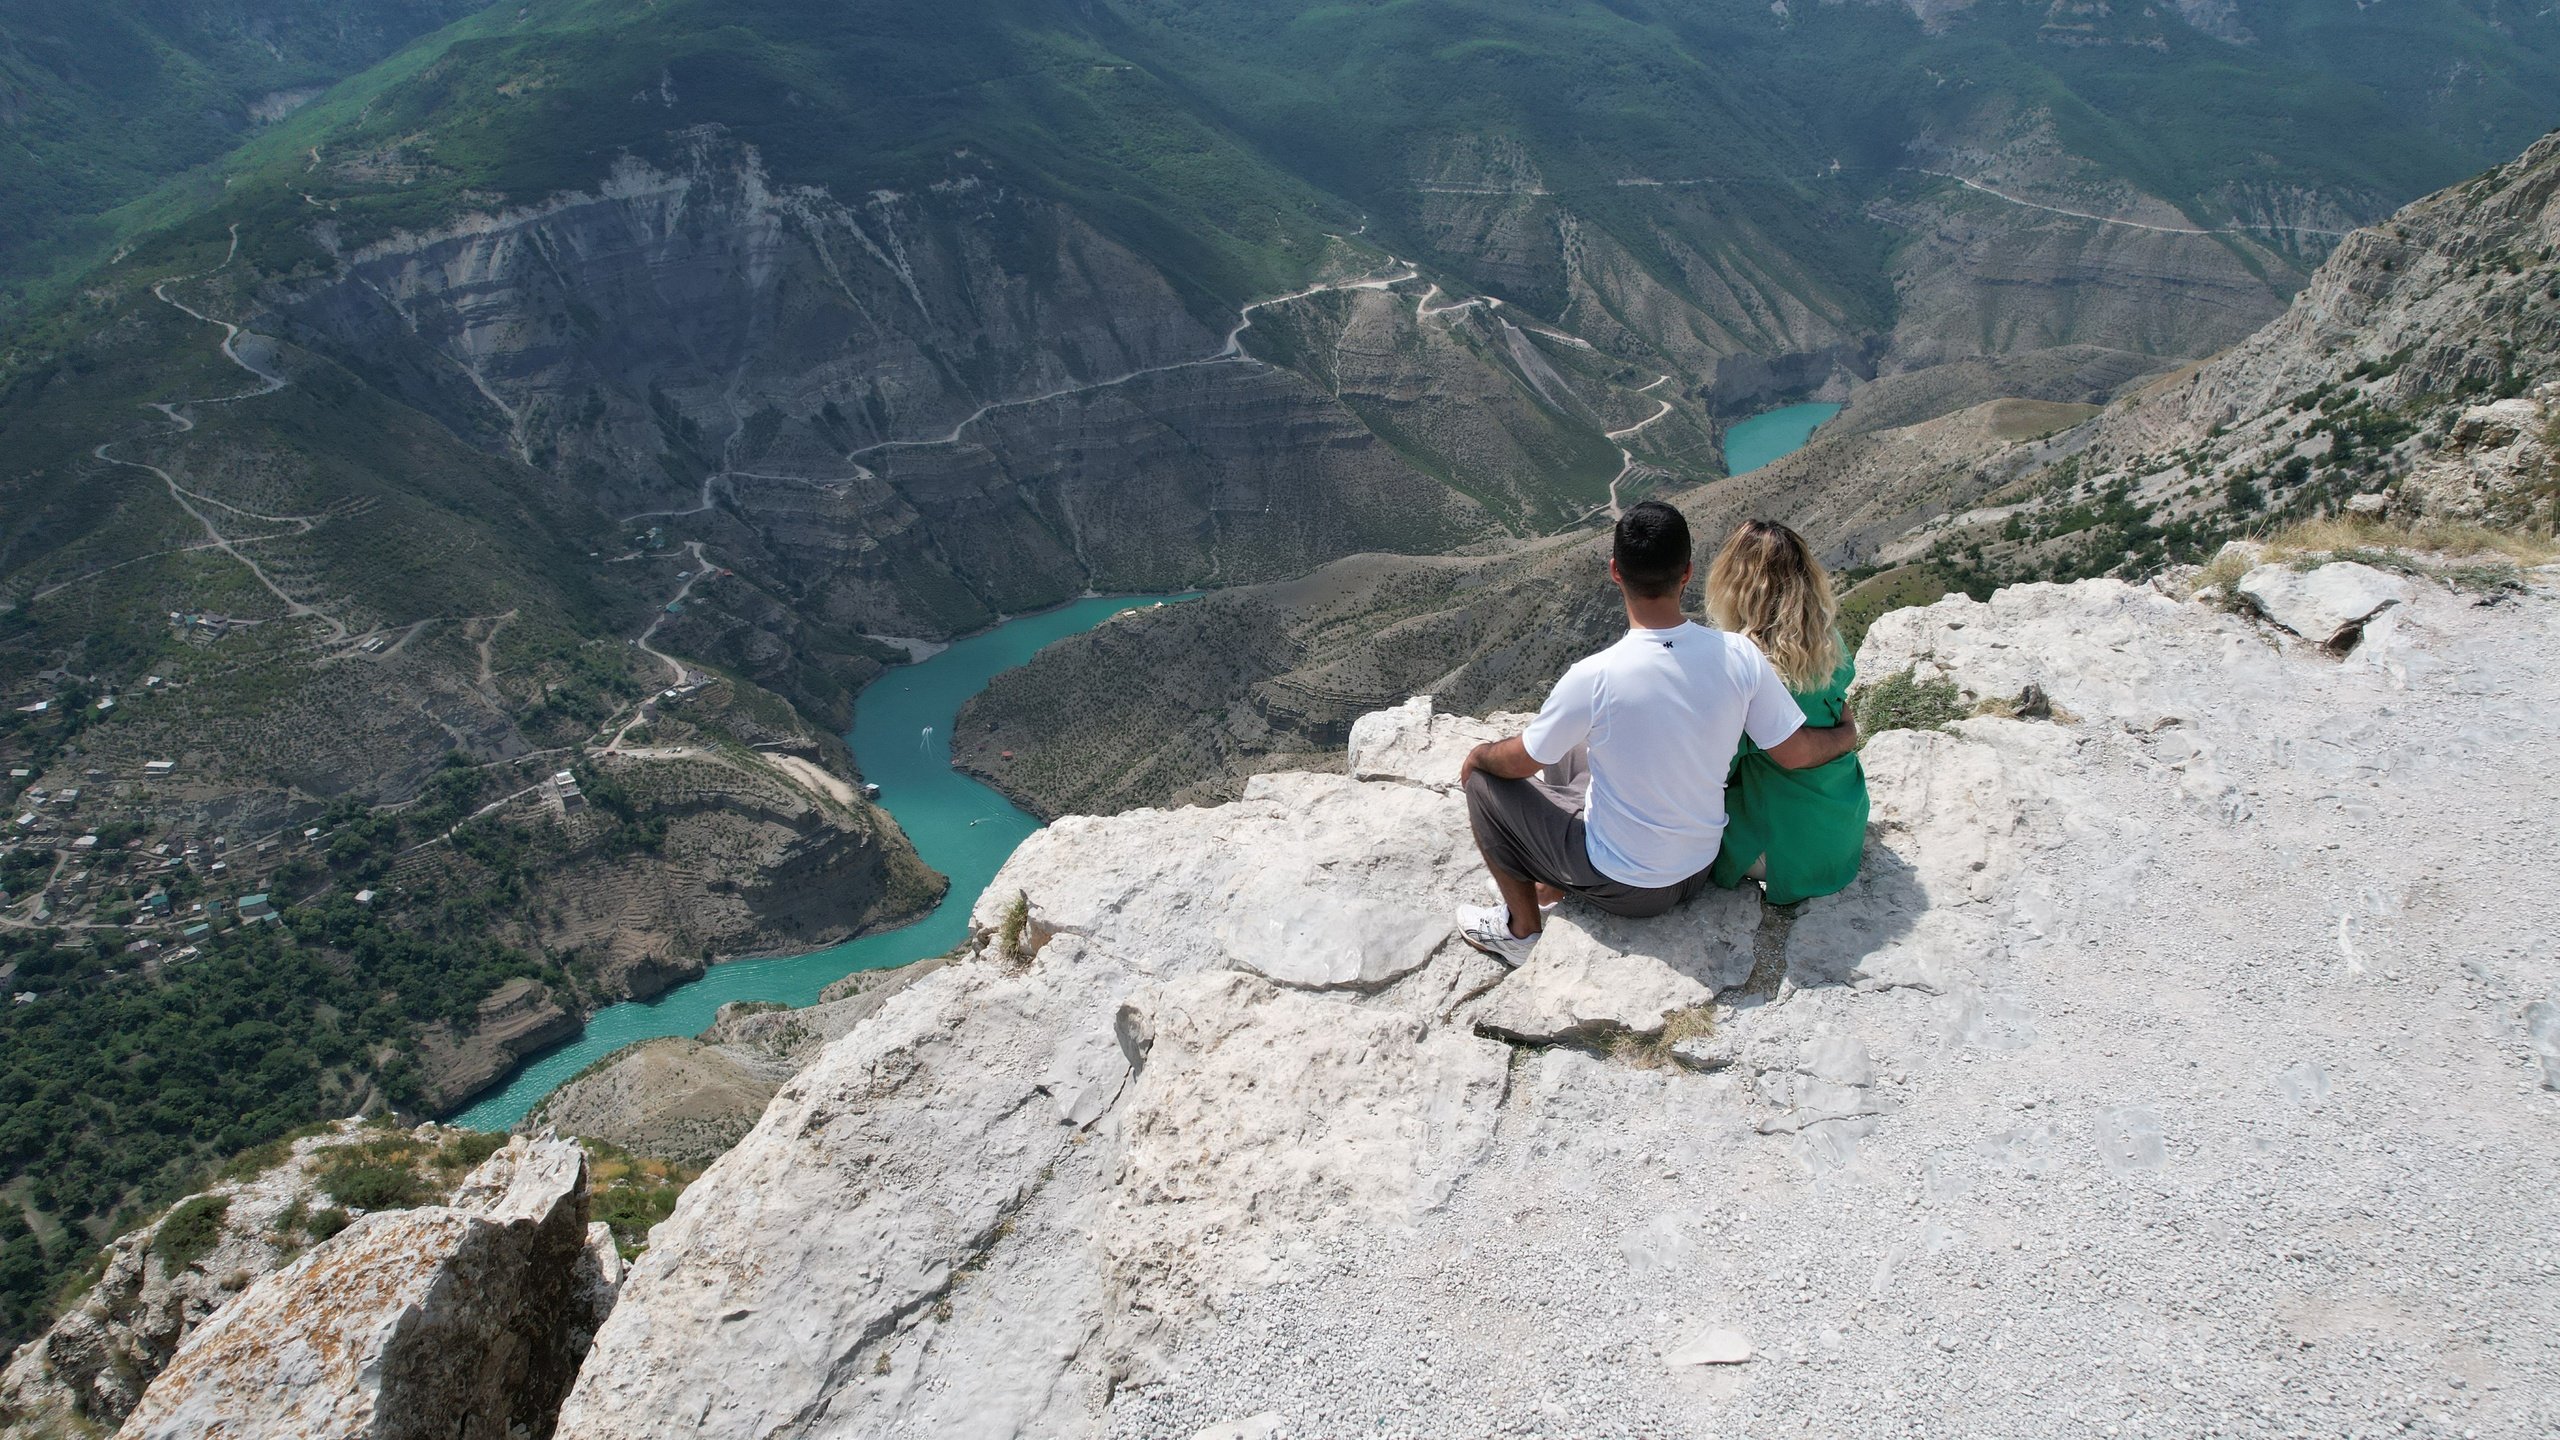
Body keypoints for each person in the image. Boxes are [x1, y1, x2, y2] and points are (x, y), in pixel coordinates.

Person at [1454, 501, 1861, 965]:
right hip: (1700, 868)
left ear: (1614, 571)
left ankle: (1519, 930)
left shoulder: (1595, 676)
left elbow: (1520, 762)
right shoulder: (1741, 656)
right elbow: (1792, 748)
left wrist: (1480, 754)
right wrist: (1847, 734)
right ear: (1687, 572)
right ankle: (1554, 880)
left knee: (1487, 783)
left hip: (1632, 890)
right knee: (1580, 745)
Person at [1702, 520, 1871, 905]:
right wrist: (1846, 735)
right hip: (1842, 823)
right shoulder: (1828, 642)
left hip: (1788, 847)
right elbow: (1835, 714)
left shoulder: (1744, 668)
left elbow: (1714, 771)